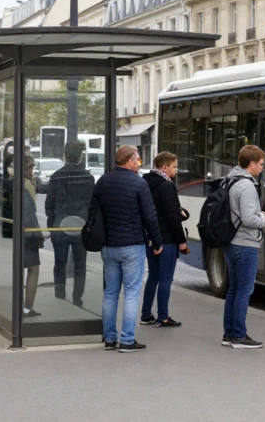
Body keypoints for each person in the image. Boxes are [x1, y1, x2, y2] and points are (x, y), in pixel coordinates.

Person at [90, 145, 163, 353]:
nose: (139, 164)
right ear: (130, 161)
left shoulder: (103, 181)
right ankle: (128, 340)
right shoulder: (139, 184)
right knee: (131, 293)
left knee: (110, 293)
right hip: (132, 246)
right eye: (138, 160)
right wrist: (157, 243)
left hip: (109, 246)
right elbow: (150, 217)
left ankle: (110, 339)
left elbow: (93, 212)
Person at [222, 145, 265, 349]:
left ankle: (229, 333)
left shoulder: (230, 180)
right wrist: (264, 221)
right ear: (251, 164)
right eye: (260, 164)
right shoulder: (247, 186)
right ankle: (240, 336)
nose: (261, 168)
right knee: (244, 291)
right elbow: (248, 218)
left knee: (233, 289)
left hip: (231, 242)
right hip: (245, 244)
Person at [141, 151, 190, 328]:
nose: (176, 170)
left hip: (150, 238)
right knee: (166, 278)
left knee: (153, 276)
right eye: (174, 166)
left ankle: (146, 314)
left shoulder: (145, 183)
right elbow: (172, 217)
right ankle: (163, 316)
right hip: (167, 239)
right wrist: (182, 240)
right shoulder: (167, 186)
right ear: (164, 167)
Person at [45, 141, 95, 307]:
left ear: (64, 156)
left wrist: (52, 225)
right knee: (80, 265)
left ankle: (60, 294)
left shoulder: (56, 176)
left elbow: (49, 204)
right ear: (80, 158)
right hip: (81, 227)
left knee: (59, 263)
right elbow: (92, 204)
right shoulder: (88, 177)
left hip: (60, 225)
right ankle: (77, 298)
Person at [23, 157, 44, 318]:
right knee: (33, 269)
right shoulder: (25, 185)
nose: (32, 171)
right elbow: (30, 214)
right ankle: (27, 307)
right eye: (30, 167)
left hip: (14, 233)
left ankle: (21, 307)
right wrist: (38, 236)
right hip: (27, 235)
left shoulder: (11, 183)